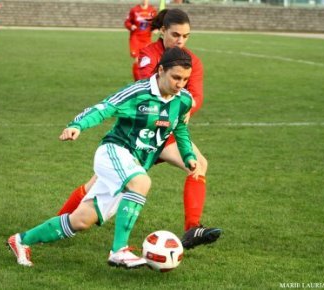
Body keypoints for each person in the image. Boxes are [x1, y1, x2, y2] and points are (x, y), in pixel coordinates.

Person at [7, 47, 199, 268]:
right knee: (141, 182)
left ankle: (21, 240)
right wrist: (77, 125)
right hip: (113, 152)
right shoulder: (138, 92)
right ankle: (119, 251)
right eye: (176, 77)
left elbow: (181, 128)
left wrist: (188, 155)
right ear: (161, 70)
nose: (180, 84)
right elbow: (103, 108)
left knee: (81, 220)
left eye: (185, 79)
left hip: (134, 163)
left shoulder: (183, 99)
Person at [57, 9, 222, 250]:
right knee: (96, 185)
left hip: (166, 132)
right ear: (162, 31)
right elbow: (148, 89)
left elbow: (195, 95)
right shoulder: (149, 55)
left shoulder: (191, 62)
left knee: (198, 164)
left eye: (186, 36)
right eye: (175, 34)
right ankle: (59, 223)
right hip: (139, 134)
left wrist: (187, 106)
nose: (181, 41)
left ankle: (193, 228)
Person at [124, 0, 157, 80]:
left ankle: (145, 79)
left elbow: (155, 23)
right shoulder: (134, 10)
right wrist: (131, 26)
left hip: (147, 39)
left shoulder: (152, 10)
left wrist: (155, 28)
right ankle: (137, 80)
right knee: (137, 60)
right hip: (136, 39)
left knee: (146, 60)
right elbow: (127, 22)